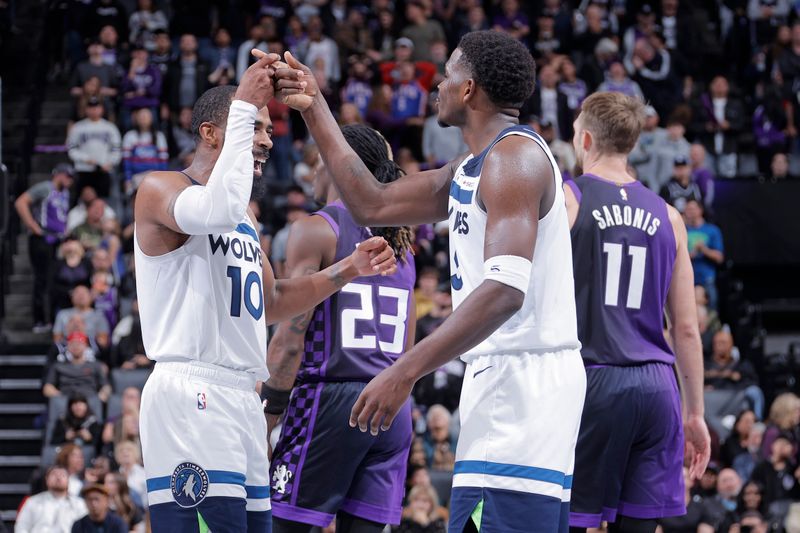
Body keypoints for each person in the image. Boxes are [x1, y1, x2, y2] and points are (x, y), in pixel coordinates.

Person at [274, 29, 586, 532]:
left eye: (447, 75)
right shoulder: (471, 167)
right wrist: (315, 107)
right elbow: (371, 202)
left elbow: (505, 290)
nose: (437, 85)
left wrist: (403, 372)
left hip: (527, 381)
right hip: (496, 377)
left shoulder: (514, 159)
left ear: (469, 90)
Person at [133, 53, 398, 531]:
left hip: (241, 399)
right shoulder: (161, 189)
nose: (265, 138)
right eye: (254, 125)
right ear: (213, 132)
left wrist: (348, 269)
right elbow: (213, 208)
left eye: (268, 130)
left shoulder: (245, 217)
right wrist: (243, 104)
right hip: (192, 391)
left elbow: (272, 304)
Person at [562, 92, 710, 532]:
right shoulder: (670, 216)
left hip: (593, 378)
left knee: (570, 522)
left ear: (585, 139)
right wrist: (695, 413)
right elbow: (685, 328)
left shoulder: (568, 199)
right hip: (658, 389)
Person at [266, 124, 417, 533]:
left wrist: (268, 413)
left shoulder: (315, 228)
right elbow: (408, 347)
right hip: (393, 406)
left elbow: (290, 337)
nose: (312, 169)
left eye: (317, 158)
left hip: (332, 401)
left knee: (284, 526)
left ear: (334, 163)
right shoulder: (402, 245)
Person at [14, 163, 75, 332]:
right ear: (59, 175)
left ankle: (52, 319)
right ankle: (39, 320)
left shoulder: (65, 193)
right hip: (42, 238)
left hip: (56, 240)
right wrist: (33, 226)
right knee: (42, 279)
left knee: (53, 279)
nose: (70, 181)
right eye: (67, 177)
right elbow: (21, 202)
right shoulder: (45, 188)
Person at [14, 466, 88, 533]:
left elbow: (86, 527)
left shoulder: (80, 504)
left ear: (68, 480)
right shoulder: (32, 501)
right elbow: (21, 527)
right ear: (46, 479)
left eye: (62, 475)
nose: (58, 478)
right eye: (54, 474)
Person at [683, 200, 724, 310]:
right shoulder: (683, 230)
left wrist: (704, 249)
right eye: (687, 209)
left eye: (692, 209)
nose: (689, 212)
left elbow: (719, 257)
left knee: (711, 312)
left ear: (700, 210)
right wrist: (690, 254)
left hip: (707, 279)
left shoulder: (712, 230)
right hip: (687, 280)